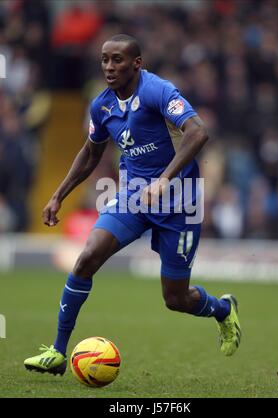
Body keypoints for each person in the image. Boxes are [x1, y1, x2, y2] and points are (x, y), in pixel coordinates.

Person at [24, 34, 241, 376]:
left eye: (118, 60)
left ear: (136, 63)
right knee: (86, 258)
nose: (109, 67)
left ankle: (223, 310)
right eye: (105, 60)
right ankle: (57, 352)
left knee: (176, 299)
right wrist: (58, 195)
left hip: (179, 205)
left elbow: (198, 131)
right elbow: (90, 153)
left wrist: (164, 179)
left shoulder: (157, 91)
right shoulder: (102, 106)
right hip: (134, 198)